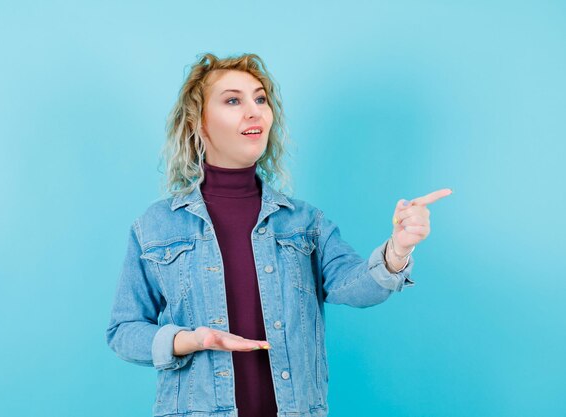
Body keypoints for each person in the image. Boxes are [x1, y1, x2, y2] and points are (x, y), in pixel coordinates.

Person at [105, 52, 452, 417]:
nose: (253, 110)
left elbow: (358, 288)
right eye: (233, 100)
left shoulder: (304, 222)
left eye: (260, 98)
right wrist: (187, 340)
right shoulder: (157, 226)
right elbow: (123, 331)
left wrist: (398, 249)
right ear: (200, 124)